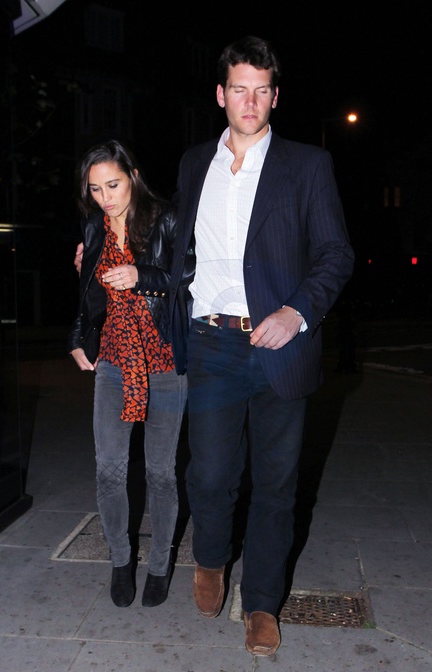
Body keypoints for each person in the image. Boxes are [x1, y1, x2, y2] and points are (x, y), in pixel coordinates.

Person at [168, 36, 355, 656]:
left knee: (276, 485)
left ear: (275, 96)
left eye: (262, 90)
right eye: (238, 89)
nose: (250, 101)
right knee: (211, 473)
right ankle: (211, 558)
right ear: (221, 94)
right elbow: (168, 239)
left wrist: (297, 312)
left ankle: (262, 604)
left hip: (280, 346)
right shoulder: (195, 162)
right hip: (211, 341)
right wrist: (101, 242)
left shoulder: (307, 165)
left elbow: (335, 254)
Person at [68, 139, 187, 610]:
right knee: (109, 470)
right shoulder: (93, 227)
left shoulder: (167, 218)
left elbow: (192, 272)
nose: (105, 198)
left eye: (113, 185)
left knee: (160, 473)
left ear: (133, 176)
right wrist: (77, 338)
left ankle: (159, 564)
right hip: (114, 361)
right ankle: (121, 560)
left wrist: (142, 276)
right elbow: (87, 293)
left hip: (164, 362)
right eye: (95, 189)